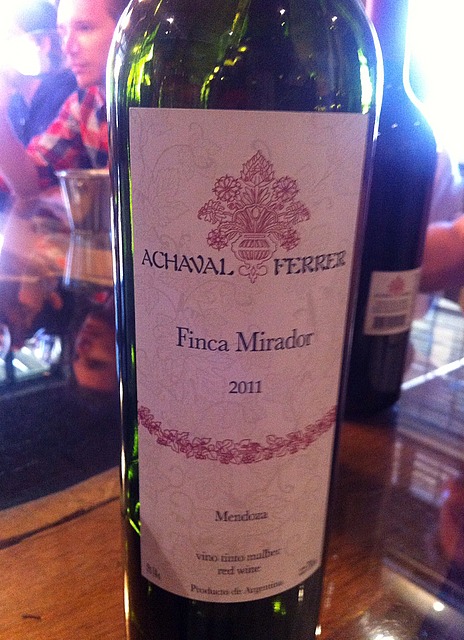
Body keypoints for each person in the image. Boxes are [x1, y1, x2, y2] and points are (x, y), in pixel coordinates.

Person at [0, 0, 128, 201]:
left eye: (84, 28)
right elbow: (30, 182)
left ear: (128, 30)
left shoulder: (159, 101)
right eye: (62, 34)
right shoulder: (84, 103)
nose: (67, 48)